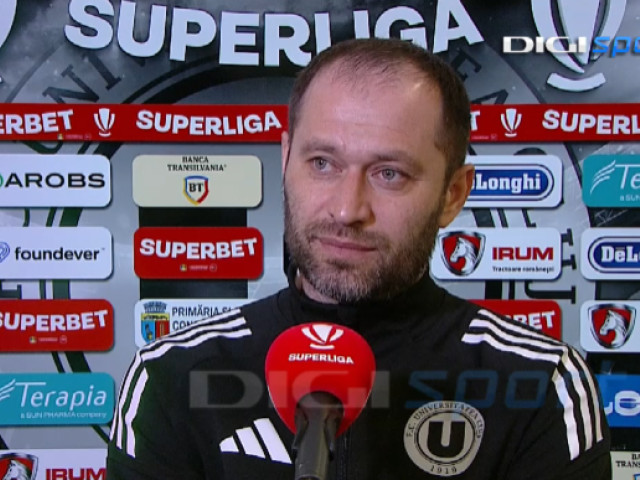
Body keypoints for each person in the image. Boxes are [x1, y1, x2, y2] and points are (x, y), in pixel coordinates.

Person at [106, 38, 611, 479]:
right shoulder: (172, 374)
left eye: (389, 173)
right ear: (286, 160)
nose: (348, 210)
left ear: (453, 195)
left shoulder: (542, 383)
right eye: (323, 163)